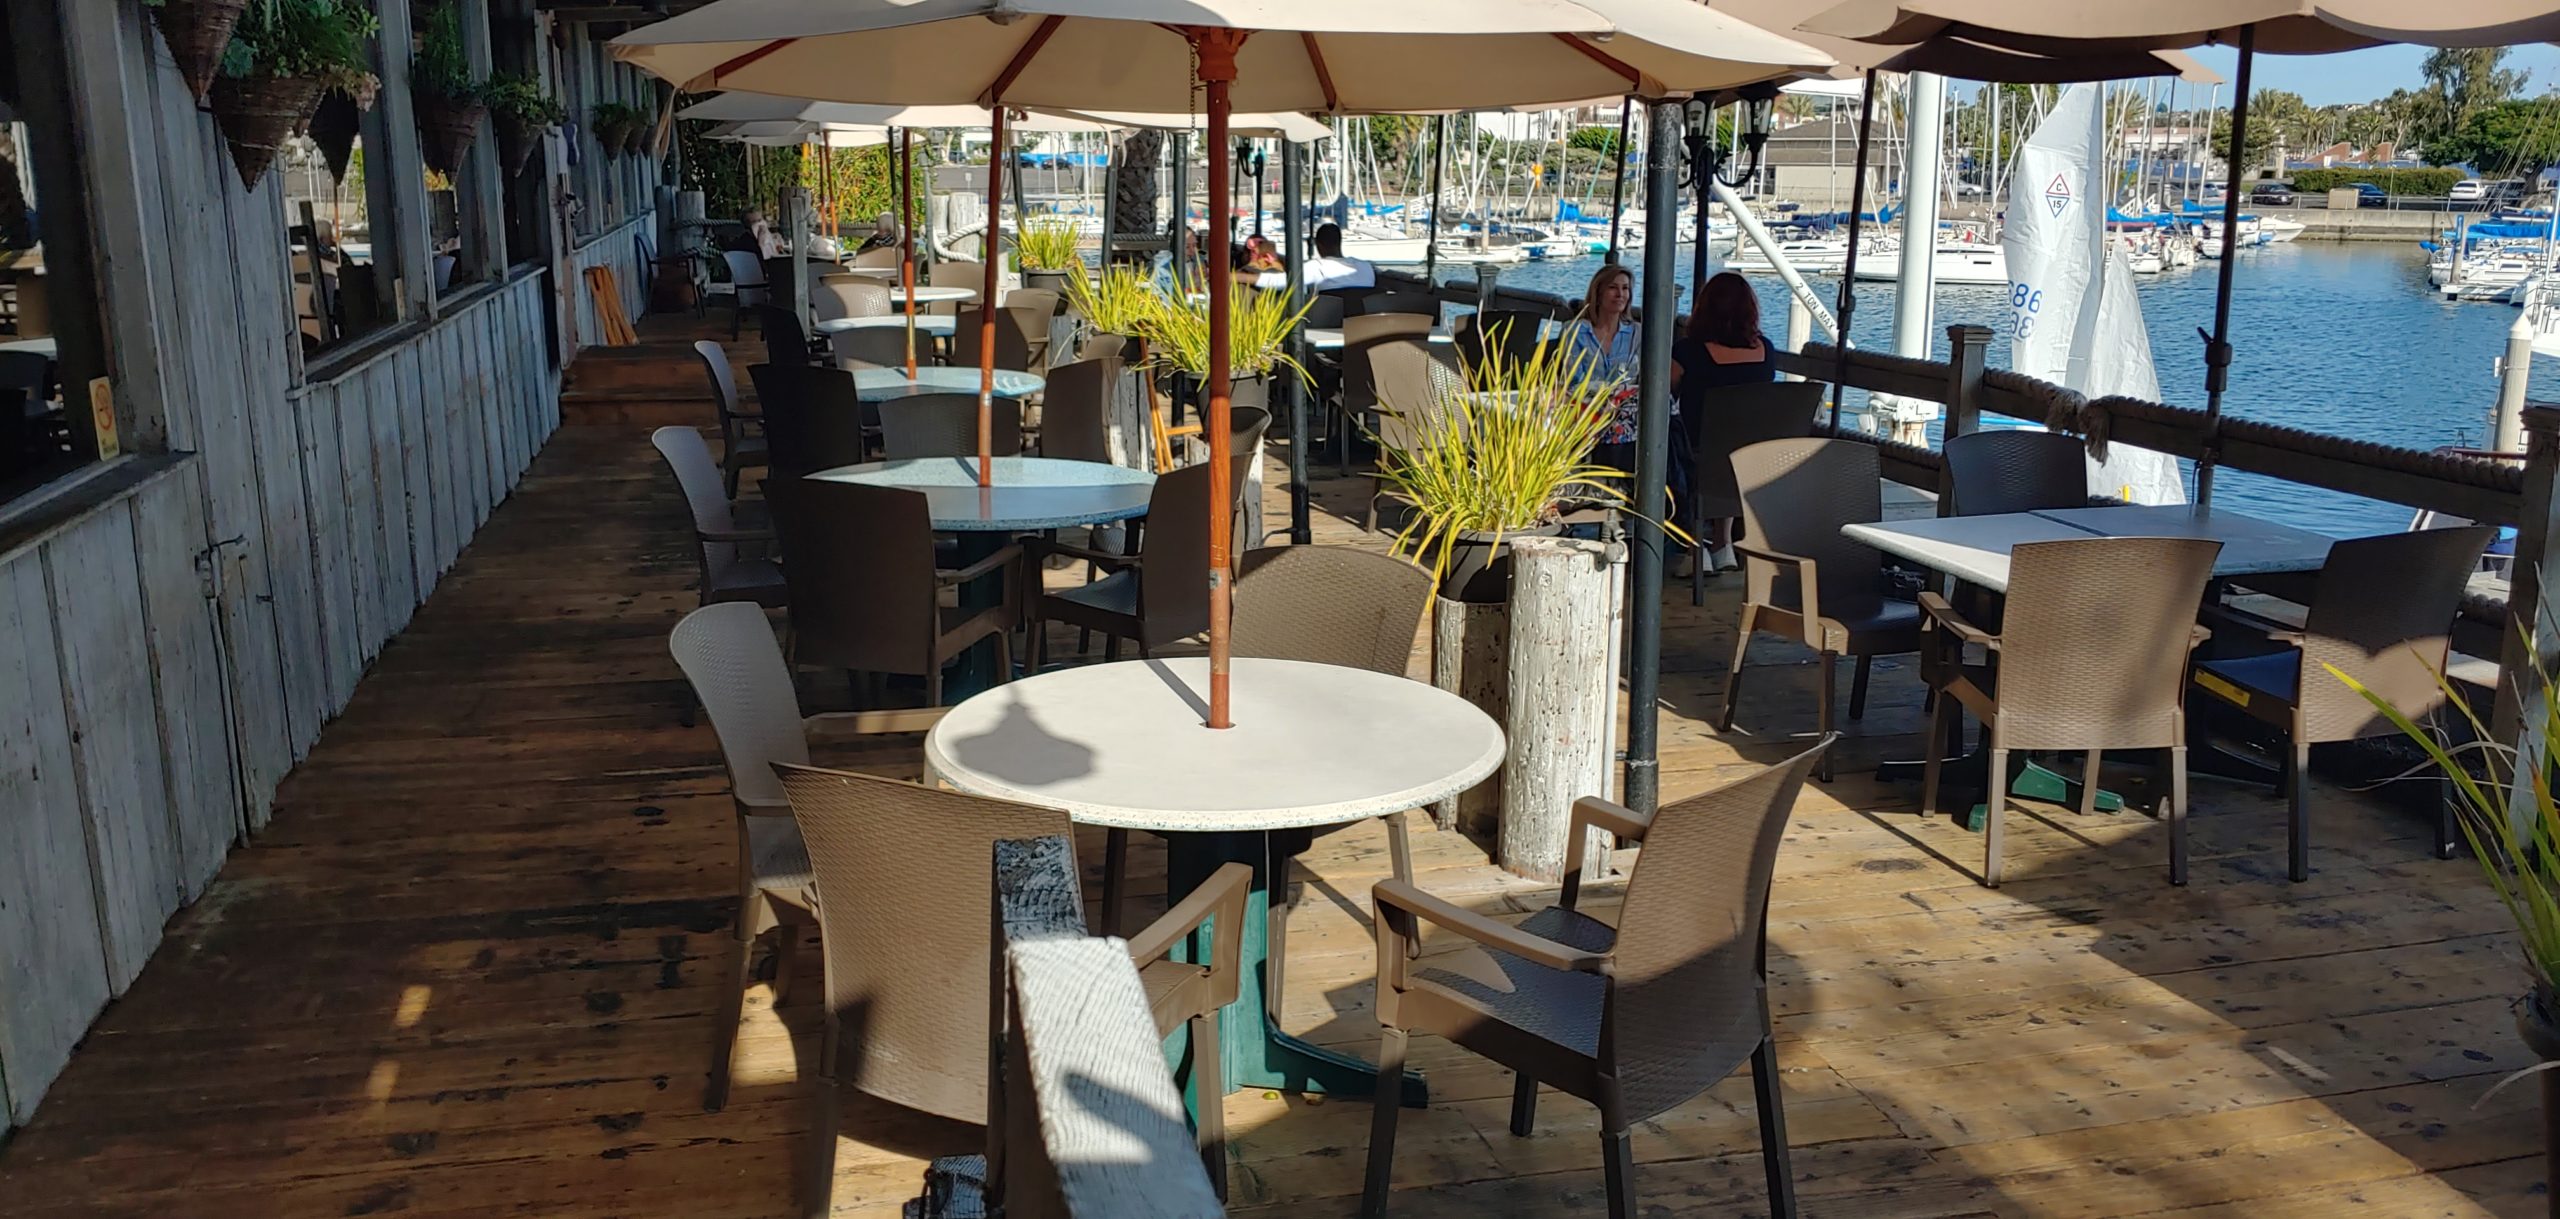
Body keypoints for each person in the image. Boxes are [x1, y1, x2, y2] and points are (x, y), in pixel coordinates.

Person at [1671, 272, 1776, 573]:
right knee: (1729, 440)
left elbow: (1666, 390)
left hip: (1699, 453)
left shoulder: (1689, 351)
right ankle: (1723, 543)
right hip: (1751, 456)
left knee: (1674, 443)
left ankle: (1693, 547)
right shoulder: (1765, 350)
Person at [1302, 223, 1375, 291]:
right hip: (1361, 305)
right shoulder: (1366, 267)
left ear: (1318, 245)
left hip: (1325, 305)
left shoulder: (1311, 268)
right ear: (1339, 241)